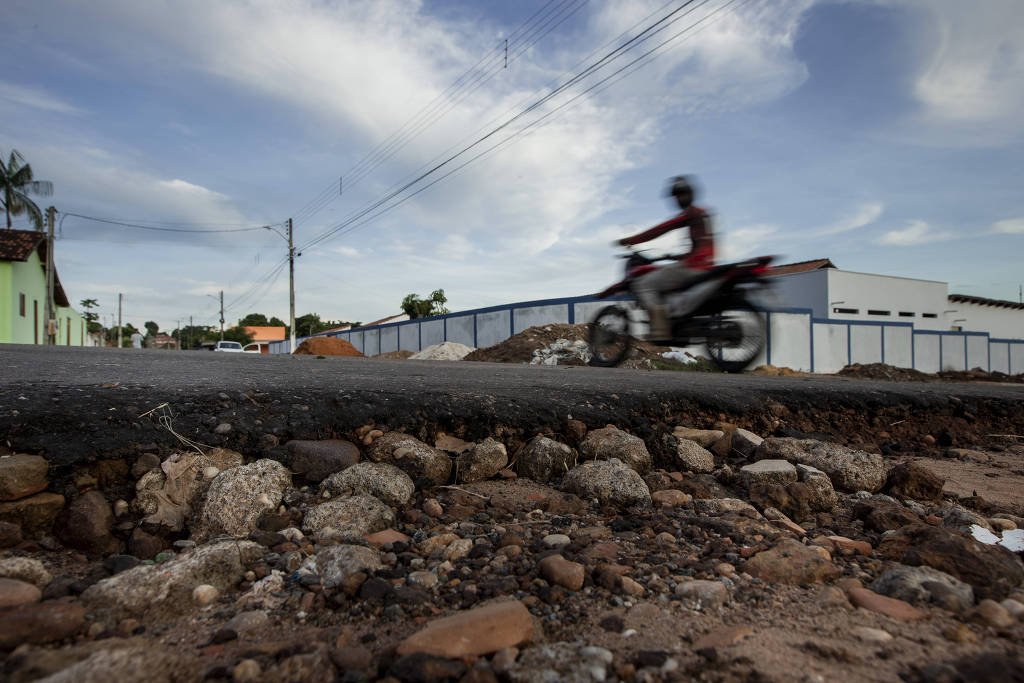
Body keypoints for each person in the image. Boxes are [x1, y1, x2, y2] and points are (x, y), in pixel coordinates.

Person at [617, 175, 715, 341]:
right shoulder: (704, 214)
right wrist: (679, 256)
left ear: (690, 194)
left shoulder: (692, 212)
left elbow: (662, 228)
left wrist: (632, 240)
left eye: (681, 195)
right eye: (677, 196)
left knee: (643, 284)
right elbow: (702, 244)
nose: (678, 199)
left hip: (695, 266)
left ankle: (661, 331)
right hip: (705, 264)